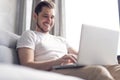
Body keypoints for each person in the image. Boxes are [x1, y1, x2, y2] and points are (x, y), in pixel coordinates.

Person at [17, 1, 120, 80]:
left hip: (71, 68)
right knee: (98, 71)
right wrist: (56, 62)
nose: (49, 20)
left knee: (115, 68)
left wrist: (103, 56)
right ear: (35, 16)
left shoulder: (60, 40)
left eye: (52, 17)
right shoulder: (30, 35)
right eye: (45, 16)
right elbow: (27, 64)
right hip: (52, 71)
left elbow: (82, 56)